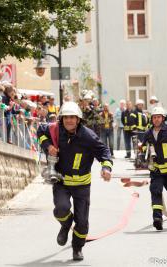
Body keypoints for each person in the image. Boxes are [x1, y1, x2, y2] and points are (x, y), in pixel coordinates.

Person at [37, 101, 112, 261]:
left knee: (82, 223)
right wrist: (48, 145)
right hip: (62, 182)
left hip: (82, 185)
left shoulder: (88, 136)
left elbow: (104, 151)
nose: (69, 120)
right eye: (66, 118)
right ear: (61, 119)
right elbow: (40, 130)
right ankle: (65, 224)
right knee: (61, 209)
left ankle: (77, 248)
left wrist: (106, 168)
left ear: (78, 119)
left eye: (72, 117)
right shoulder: (55, 130)